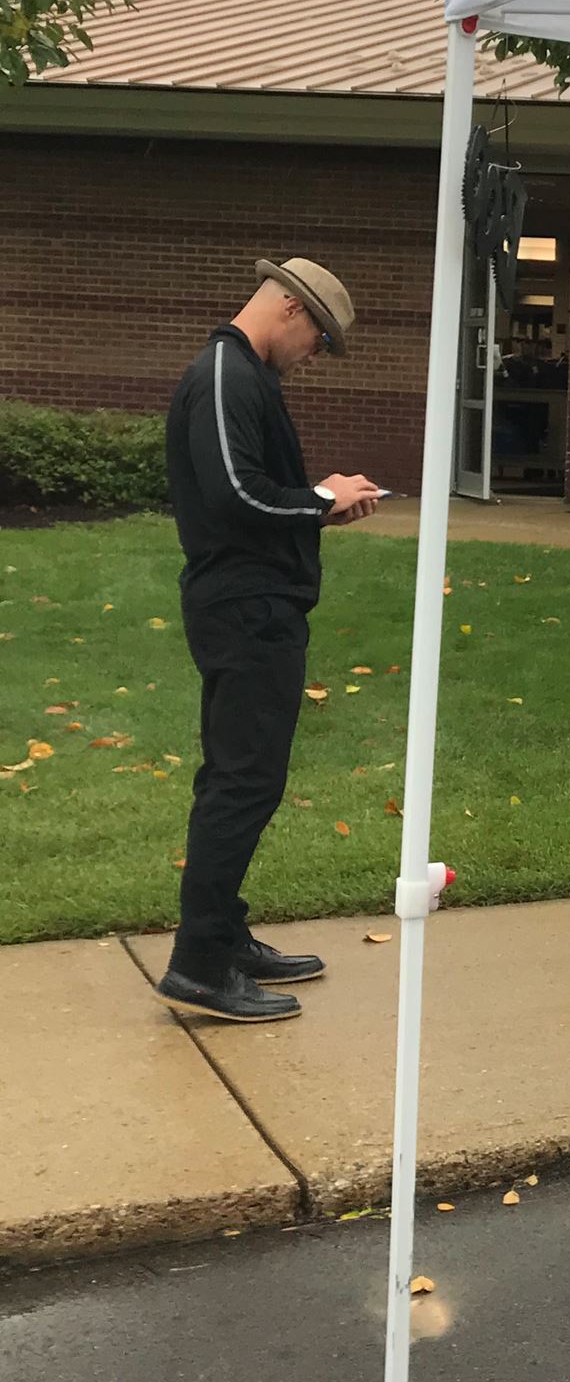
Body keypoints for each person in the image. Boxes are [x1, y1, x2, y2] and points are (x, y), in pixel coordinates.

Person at [156, 259, 379, 1023]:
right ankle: (200, 965)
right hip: (244, 610)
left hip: (257, 607)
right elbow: (234, 495)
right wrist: (321, 499)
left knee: (240, 779)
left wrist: (322, 506)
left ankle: (223, 935)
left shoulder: (245, 377)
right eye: (317, 333)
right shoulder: (226, 374)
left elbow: (251, 495)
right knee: (242, 783)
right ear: (288, 307)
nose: (314, 350)